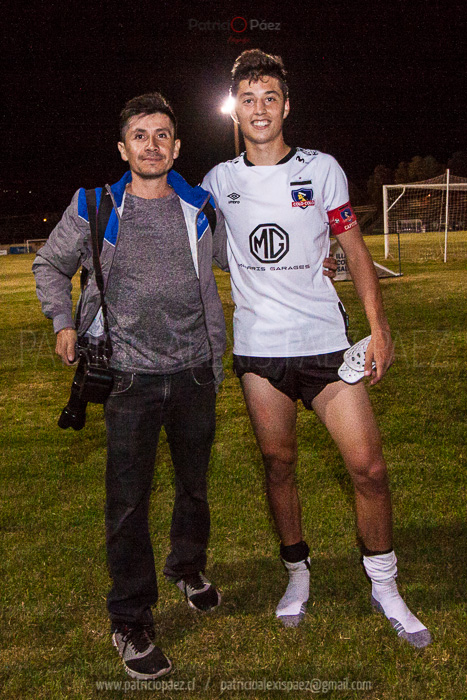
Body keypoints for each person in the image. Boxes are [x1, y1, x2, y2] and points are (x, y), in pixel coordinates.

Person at [202, 49, 431, 648]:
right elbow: (195, 248)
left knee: (369, 467)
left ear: (286, 106)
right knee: (279, 466)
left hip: (326, 344)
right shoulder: (217, 182)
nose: (259, 109)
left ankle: (385, 584)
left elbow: (353, 249)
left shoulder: (321, 168)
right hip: (259, 350)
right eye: (248, 99)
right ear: (235, 109)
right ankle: (296, 575)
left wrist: (378, 328)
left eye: (269, 98)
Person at [33, 93, 229, 680]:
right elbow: (49, 264)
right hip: (127, 379)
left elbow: (244, 264)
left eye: (163, 135)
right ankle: (131, 619)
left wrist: (318, 266)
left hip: (195, 370)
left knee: (194, 487)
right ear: (123, 148)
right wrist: (63, 321)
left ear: (177, 146)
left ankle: (187, 566)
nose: (152, 145)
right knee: (128, 504)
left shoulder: (200, 207)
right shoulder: (95, 205)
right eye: (140, 136)